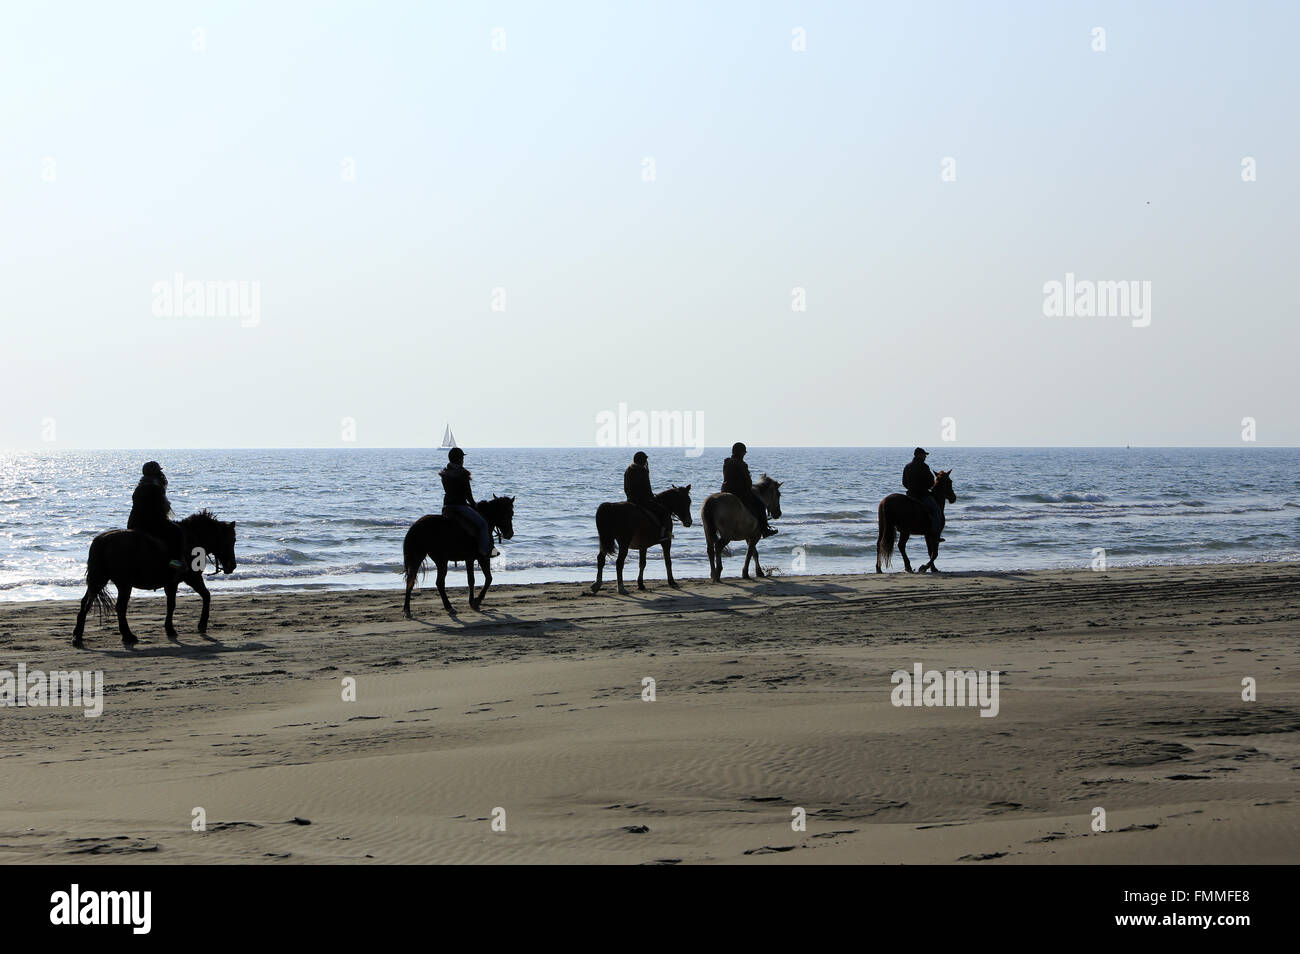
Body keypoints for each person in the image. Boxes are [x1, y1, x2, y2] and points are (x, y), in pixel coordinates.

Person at [127, 461, 186, 571]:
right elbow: (160, 510)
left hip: (133, 523)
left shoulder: (140, 486)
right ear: (155, 473)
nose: (161, 474)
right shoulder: (156, 487)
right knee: (178, 532)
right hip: (151, 523)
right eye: (159, 472)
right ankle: (175, 563)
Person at [439, 448, 498, 559]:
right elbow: (468, 495)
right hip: (460, 506)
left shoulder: (445, 473)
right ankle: (484, 551)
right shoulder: (462, 474)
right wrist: (474, 506)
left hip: (447, 507)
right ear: (459, 459)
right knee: (483, 524)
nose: (463, 460)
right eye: (462, 458)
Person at [721, 442, 777, 537]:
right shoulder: (742, 464)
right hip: (740, 492)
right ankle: (765, 529)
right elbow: (748, 482)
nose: (744, 455)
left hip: (725, 490)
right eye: (744, 453)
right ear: (741, 453)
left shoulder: (727, 463)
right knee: (760, 505)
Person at [624, 451, 671, 542]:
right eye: (645, 460)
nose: (646, 462)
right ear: (643, 461)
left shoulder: (628, 470)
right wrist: (652, 497)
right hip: (642, 501)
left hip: (630, 500)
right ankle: (663, 535)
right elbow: (647, 488)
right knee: (664, 512)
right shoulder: (642, 470)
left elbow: (626, 488)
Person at [903, 447, 944, 541]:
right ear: (918, 455)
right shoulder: (924, 466)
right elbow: (930, 482)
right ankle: (935, 535)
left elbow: (904, 483)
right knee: (937, 511)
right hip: (922, 495)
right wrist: (927, 487)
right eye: (924, 455)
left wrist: (911, 489)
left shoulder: (907, 466)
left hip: (910, 495)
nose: (925, 456)